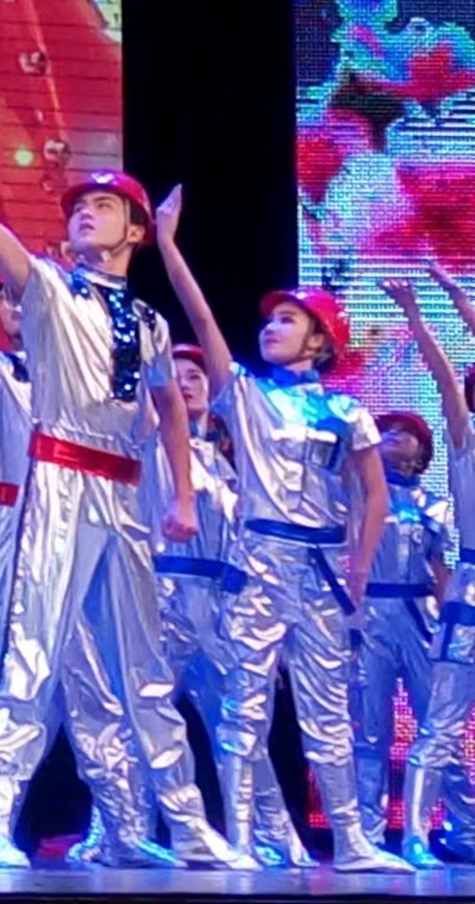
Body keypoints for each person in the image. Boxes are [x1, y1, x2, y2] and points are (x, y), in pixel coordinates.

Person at [0, 73, 247, 869]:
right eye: (77, 206)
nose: (84, 212)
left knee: (145, 666)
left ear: (135, 229)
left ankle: (188, 823)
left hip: (121, 491)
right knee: (30, 650)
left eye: (101, 205)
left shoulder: (151, 321)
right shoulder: (49, 288)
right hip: (57, 479)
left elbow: (170, 407)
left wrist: (183, 493)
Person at [155, 186, 406, 871]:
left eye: (288, 319)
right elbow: (202, 318)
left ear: (320, 340)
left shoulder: (348, 411)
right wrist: (169, 244)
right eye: (269, 319)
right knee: (245, 701)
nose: (271, 327)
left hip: (322, 568)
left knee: (329, 708)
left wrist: (360, 565)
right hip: (260, 557)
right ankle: (241, 839)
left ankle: (352, 842)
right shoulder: (245, 393)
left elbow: (375, 494)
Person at [149, 343, 309, 868]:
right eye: (174, 375)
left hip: (219, 608)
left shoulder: (230, 466)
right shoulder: (151, 446)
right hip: (164, 597)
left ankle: (276, 836)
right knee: (143, 720)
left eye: (195, 375)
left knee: (242, 729)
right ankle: (120, 830)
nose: (186, 383)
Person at [348, 326, 475, 852]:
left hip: (423, 615)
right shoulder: (356, 497)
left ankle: (465, 827)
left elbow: (441, 573)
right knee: (373, 731)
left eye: (406, 434)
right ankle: (372, 832)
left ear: (423, 452)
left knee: (438, 723)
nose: (394, 438)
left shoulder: (434, 506)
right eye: (388, 432)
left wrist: (447, 618)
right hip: (372, 614)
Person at [391, 266, 475, 869]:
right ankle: (416, 836)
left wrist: (460, 299)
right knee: (442, 721)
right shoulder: (467, 437)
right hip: (471, 594)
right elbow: (445, 378)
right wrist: (423, 315)